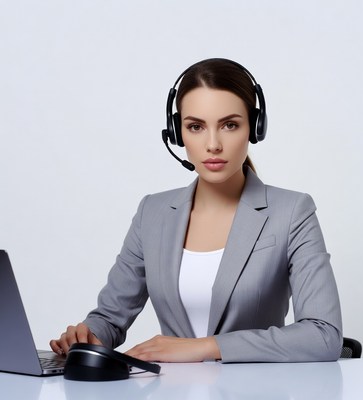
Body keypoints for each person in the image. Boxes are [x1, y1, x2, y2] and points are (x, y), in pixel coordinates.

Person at [50, 58, 342, 363]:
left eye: (230, 125)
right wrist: (86, 337)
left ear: (255, 128)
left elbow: (323, 335)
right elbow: (110, 318)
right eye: (196, 127)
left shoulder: (293, 212)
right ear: (177, 134)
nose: (213, 144)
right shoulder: (153, 212)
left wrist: (207, 347)